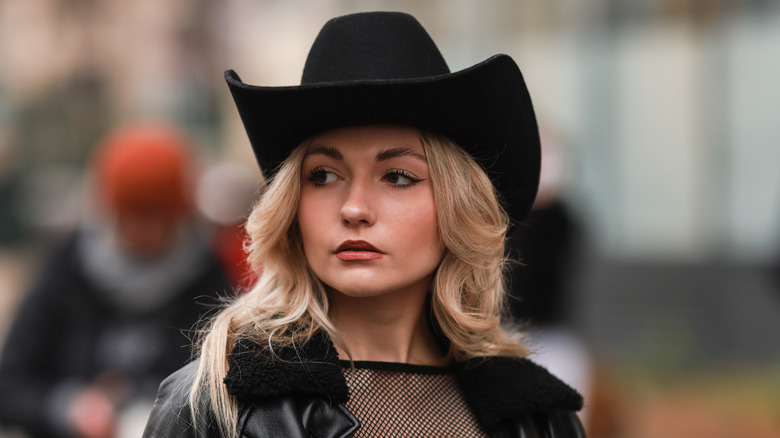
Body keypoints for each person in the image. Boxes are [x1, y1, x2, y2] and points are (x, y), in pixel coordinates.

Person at [143, 11, 586, 438]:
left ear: (458, 204)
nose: (354, 209)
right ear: (291, 205)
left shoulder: (538, 417)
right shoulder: (214, 405)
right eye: (323, 176)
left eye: (397, 177)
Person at [0, 122, 231, 438]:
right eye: (133, 217)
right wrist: (67, 407)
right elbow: (10, 382)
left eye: (159, 217)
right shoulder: (67, 271)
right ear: (109, 213)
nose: (146, 232)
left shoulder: (208, 281)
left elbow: (230, 388)